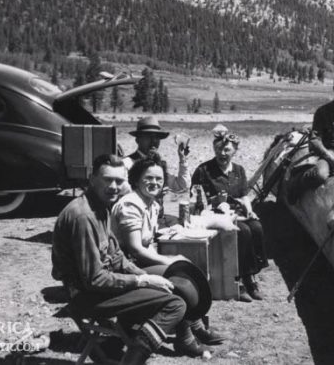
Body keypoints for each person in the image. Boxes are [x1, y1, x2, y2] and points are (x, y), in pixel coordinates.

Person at [51, 154, 186, 364]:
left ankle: (122, 344)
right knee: (174, 304)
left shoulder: (101, 206)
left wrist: (144, 275)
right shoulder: (84, 217)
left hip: (98, 289)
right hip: (86, 296)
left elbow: (116, 256)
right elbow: (94, 279)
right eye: (107, 179)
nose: (113, 186)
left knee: (168, 285)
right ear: (92, 178)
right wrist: (143, 281)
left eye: (119, 181)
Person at [112, 154, 225, 356]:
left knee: (186, 271)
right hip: (122, 267)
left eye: (159, 179)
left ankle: (195, 327)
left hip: (136, 262)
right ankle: (187, 338)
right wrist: (170, 260)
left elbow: (148, 244)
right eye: (148, 178)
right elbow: (135, 249)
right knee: (177, 279)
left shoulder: (152, 204)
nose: (154, 182)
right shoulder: (131, 204)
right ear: (136, 179)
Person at [191, 125, 269, 303]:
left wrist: (250, 210)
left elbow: (243, 195)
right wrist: (215, 202)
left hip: (237, 212)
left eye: (227, 149)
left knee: (256, 227)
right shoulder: (204, 170)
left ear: (234, 151)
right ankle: (240, 280)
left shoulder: (239, 170)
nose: (222, 153)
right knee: (243, 232)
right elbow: (196, 198)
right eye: (218, 149)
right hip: (214, 215)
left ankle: (251, 277)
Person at [126, 116, 190, 194]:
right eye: (149, 137)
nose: (154, 141)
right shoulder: (126, 164)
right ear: (138, 140)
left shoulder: (159, 166)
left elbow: (182, 187)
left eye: (157, 137)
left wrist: (183, 159)